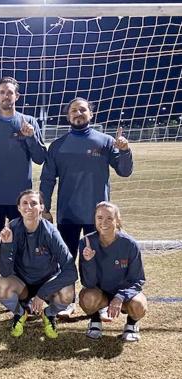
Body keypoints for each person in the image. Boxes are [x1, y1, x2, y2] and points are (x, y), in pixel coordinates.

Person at [39, 97, 133, 317]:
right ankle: (66, 301)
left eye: (82, 109)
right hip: (68, 215)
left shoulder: (105, 141)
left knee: (99, 260)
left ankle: (100, 303)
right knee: (66, 260)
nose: (78, 113)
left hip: (98, 217)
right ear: (68, 116)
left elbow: (124, 171)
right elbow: (47, 180)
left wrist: (125, 150)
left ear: (91, 114)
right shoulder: (58, 145)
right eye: (74, 110)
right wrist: (45, 208)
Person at [0, 77, 46, 311]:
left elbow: (40, 158)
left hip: (21, 202)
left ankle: (25, 293)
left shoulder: (29, 122)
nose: (6, 96)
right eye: (2, 92)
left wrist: (30, 136)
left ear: (17, 96)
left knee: (24, 246)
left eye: (10, 92)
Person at [0, 190, 77, 339]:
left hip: (47, 283)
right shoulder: (12, 228)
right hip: (22, 284)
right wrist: (6, 245)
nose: (29, 207)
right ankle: (20, 313)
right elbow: (4, 272)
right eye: (24, 203)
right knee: (0, 285)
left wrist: (42, 293)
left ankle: (49, 314)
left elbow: (71, 271)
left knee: (68, 292)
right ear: (19, 208)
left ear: (42, 207)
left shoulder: (50, 232)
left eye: (34, 203)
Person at [78, 202, 147, 342]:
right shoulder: (86, 242)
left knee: (139, 304)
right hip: (100, 293)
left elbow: (137, 280)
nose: (104, 222)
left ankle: (131, 325)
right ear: (95, 219)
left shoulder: (130, 244)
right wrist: (89, 261)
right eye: (100, 218)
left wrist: (120, 296)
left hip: (124, 296)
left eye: (109, 218)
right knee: (87, 298)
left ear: (117, 220)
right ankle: (95, 321)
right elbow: (88, 283)